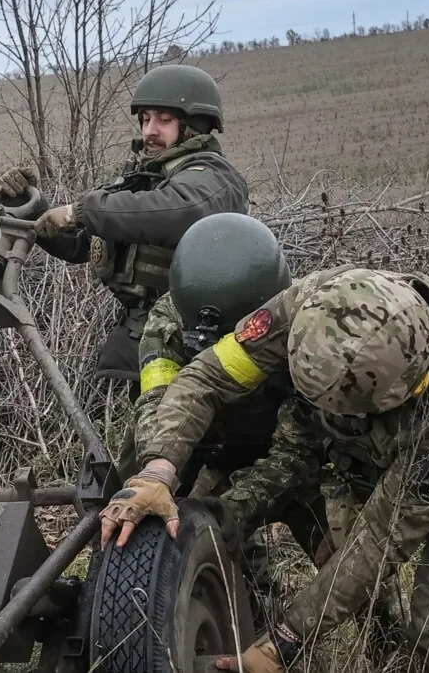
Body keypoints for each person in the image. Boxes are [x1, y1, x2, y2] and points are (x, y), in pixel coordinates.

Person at [102, 265, 429, 673]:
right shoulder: (317, 304)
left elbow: (380, 539)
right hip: (386, 429)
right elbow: (210, 376)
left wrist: (284, 642)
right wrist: (158, 472)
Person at [115, 212, 327, 621]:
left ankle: (389, 646)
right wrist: (158, 477)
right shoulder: (168, 319)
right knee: (171, 529)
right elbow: (156, 406)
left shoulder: (301, 321)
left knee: (346, 561)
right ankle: (252, 611)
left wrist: (238, 506)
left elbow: (301, 447)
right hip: (207, 443)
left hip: (296, 455)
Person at [0, 64, 249, 398]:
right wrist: (33, 207)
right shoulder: (144, 177)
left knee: (172, 444)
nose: (150, 130)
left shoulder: (213, 178)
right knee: (147, 441)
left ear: (194, 126)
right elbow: (81, 245)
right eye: (145, 119)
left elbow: (179, 210)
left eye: (163, 120)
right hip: (150, 343)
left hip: (200, 352)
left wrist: (81, 211)